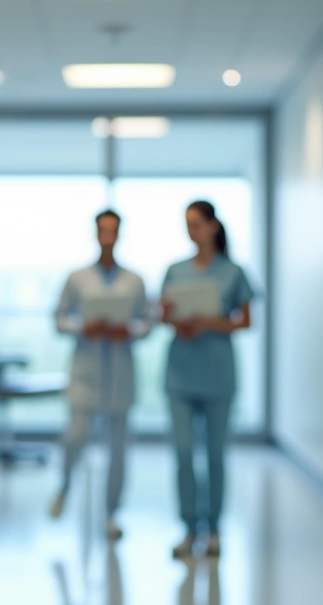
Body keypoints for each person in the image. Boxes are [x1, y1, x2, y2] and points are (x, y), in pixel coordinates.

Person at [161, 200, 255, 558]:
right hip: (180, 374)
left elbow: (245, 320)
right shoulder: (175, 270)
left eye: (197, 223)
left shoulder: (233, 272)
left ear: (214, 226)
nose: (192, 230)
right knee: (184, 454)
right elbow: (163, 314)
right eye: (187, 224)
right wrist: (175, 319)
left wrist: (208, 322)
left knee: (215, 456)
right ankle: (188, 528)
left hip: (218, 374)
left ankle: (213, 529)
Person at [49, 210, 151, 539]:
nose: (107, 236)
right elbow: (60, 319)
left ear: (119, 234)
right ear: (95, 233)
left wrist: (130, 331)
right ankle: (64, 485)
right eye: (102, 230)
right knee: (75, 437)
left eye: (113, 231)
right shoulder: (77, 277)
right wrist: (83, 326)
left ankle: (112, 513)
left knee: (118, 450)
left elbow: (146, 322)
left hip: (120, 371)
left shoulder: (134, 280)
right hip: (86, 371)